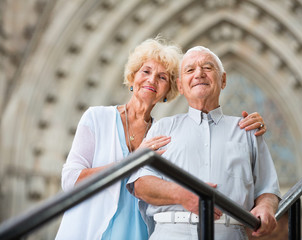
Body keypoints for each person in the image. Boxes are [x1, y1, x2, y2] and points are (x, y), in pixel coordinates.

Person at [55, 38, 268, 240]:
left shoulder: (163, 131)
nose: (152, 80)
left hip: (139, 230)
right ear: (132, 77)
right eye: (146, 71)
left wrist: (252, 127)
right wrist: (132, 161)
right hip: (93, 227)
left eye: (162, 77)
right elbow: (71, 180)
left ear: (171, 88)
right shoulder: (98, 118)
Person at [128, 46, 281, 240]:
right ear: (181, 86)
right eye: (190, 70)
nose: (199, 73)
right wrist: (183, 195)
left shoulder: (248, 130)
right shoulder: (162, 128)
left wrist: (266, 207)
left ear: (223, 80)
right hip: (171, 233)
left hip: (230, 233)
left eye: (207, 68)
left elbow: (267, 188)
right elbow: (141, 184)